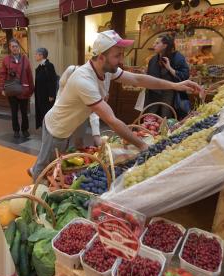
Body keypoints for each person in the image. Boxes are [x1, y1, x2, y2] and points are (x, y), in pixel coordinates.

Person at [29, 30, 203, 180]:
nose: (121, 60)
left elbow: (137, 79)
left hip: (70, 124)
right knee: (46, 167)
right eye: (117, 56)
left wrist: (175, 85)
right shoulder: (84, 79)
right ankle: (34, 197)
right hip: (57, 127)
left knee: (56, 160)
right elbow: (111, 120)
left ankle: (39, 167)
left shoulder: (106, 70)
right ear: (102, 57)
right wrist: (142, 145)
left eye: (121, 54)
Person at [145, 33, 190, 118]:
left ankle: (165, 131)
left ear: (165, 45)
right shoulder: (153, 59)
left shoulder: (177, 57)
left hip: (170, 94)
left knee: (166, 116)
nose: (154, 45)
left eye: (157, 43)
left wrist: (170, 68)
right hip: (153, 94)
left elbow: (185, 75)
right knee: (150, 117)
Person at [0, 38, 34, 138]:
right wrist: (2, 88)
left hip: (23, 90)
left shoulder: (25, 59)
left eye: (16, 46)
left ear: (19, 47)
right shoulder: (6, 60)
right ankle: (16, 130)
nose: (15, 48)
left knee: (24, 112)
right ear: (10, 48)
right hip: (12, 90)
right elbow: (2, 75)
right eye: (12, 46)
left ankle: (25, 129)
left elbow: (29, 75)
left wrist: (31, 89)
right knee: (14, 112)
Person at [34, 47, 57, 129]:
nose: (35, 56)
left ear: (41, 55)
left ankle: (49, 129)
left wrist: (51, 95)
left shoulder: (49, 66)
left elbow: (52, 81)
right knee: (42, 112)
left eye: (36, 54)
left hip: (47, 96)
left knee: (47, 113)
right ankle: (45, 128)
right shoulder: (39, 67)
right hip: (40, 95)